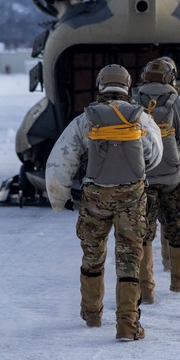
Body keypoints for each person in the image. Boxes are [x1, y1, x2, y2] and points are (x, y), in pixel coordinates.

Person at [46, 64, 163, 341]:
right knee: (129, 259)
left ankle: (92, 314)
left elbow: (60, 161)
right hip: (132, 198)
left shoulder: (86, 119)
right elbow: (155, 154)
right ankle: (127, 324)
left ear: (101, 85)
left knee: (93, 254)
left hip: (96, 198)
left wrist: (59, 198)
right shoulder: (141, 117)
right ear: (127, 85)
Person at [135, 58, 180, 303]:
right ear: (171, 78)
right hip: (173, 178)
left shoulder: (130, 105)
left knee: (143, 234)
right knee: (178, 228)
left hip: (142, 180)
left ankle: (146, 289)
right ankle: (179, 278)